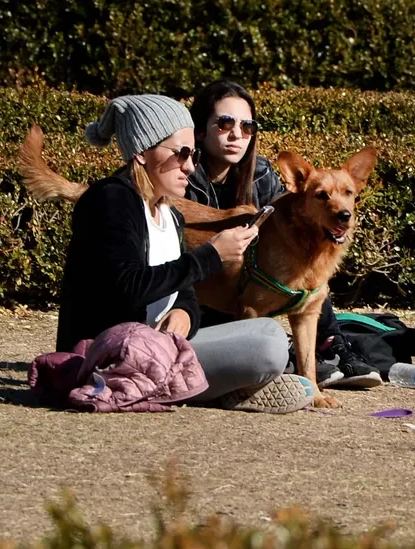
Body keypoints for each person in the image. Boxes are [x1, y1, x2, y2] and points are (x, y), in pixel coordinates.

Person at [55, 94, 315, 414]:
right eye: (181, 154)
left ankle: (212, 387)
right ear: (141, 152)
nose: (190, 166)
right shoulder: (110, 200)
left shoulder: (170, 214)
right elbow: (126, 286)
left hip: (163, 348)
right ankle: (216, 389)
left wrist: (184, 314)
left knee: (270, 334)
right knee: (267, 347)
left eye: (193, 155)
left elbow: (186, 295)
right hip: (107, 353)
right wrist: (211, 256)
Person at [185, 79, 382, 390]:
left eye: (247, 126)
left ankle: (330, 350)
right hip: (198, 303)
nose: (237, 134)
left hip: (253, 295)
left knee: (312, 286)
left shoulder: (261, 173)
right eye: (225, 123)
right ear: (199, 130)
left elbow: (291, 218)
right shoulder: (179, 174)